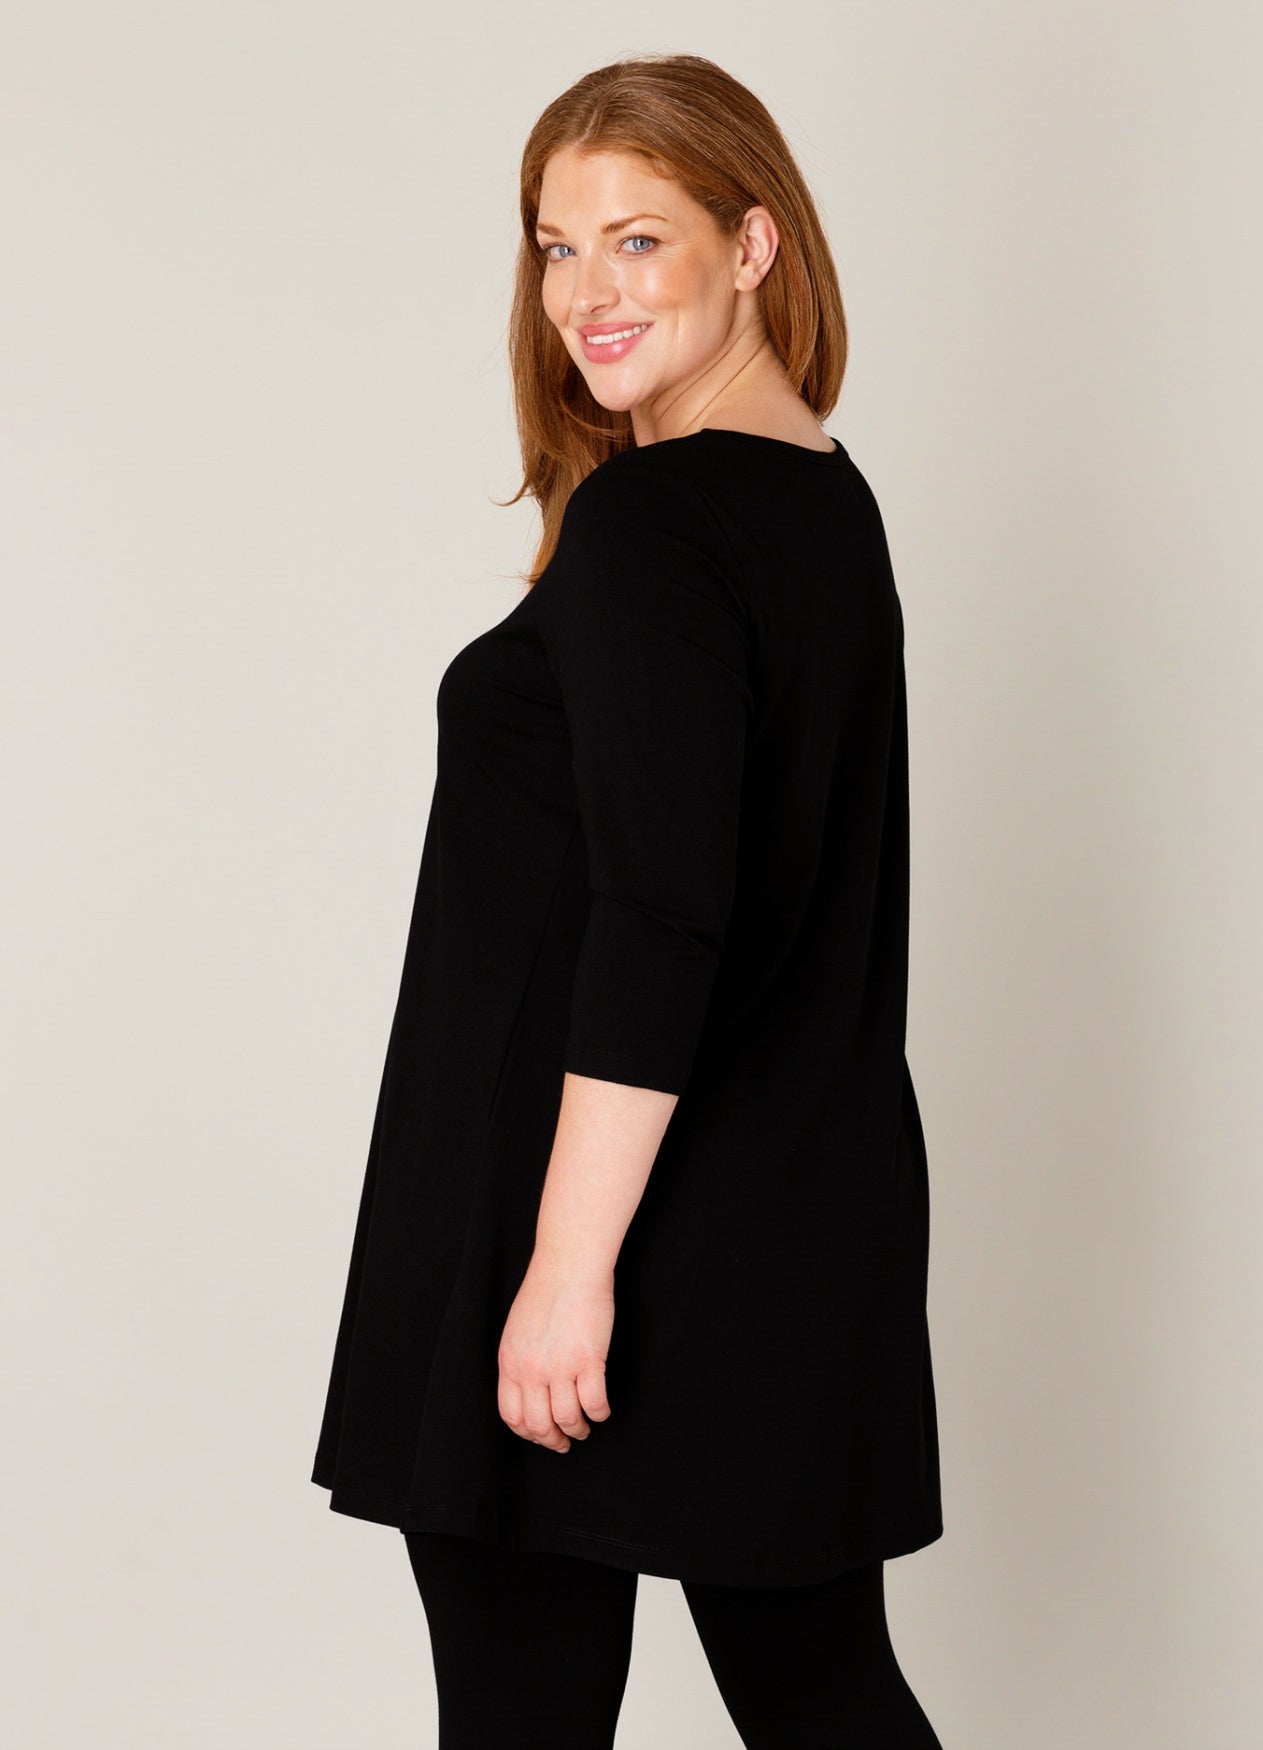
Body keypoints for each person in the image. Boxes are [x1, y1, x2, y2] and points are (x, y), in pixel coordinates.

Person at [311, 51, 945, 1749]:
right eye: (554, 246)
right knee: (823, 1692)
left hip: (589, 1214)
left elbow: (662, 914)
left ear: (754, 245)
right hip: (792, 1211)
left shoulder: (656, 524)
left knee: (526, 1712)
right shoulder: (821, 501)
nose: (585, 291)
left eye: (637, 239)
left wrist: (563, 1268)